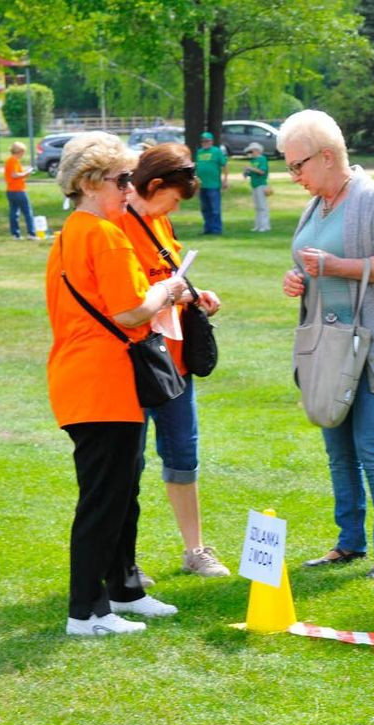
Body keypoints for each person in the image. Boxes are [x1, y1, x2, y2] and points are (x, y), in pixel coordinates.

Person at [45, 131, 188, 635]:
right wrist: (166, 291)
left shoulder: (70, 233)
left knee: (119, 493)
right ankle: (85, 611)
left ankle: (120, 592)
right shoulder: (103, 234)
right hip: (103, 380)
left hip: (85, 378)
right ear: (89, 182)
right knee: (105, 500)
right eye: (122, 178)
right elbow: (130, 310)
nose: (131, 188)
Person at [278, 109, 374, 580]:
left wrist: (339, 266)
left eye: (297, 165)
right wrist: (299, 280)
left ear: (327, 156)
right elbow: (310, 260)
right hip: (329, 349)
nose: (292, 175)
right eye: (289, 166)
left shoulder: (373, 198)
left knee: (370, 447)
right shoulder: (316, 204)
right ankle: (348, 543)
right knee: (337, 450)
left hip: (372, 349)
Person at [120, 142, 230, 581]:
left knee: (184, 456)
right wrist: (170, 293)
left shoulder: (158, 223)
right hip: (137, 360)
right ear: (154, 184)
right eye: (172, 200)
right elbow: (130, 301)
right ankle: (124, 558)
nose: (174, 211)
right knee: (128, 463)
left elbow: (169, 280)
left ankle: (195, 549)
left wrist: (196, 297)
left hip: (176, 362)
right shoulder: (117, 226)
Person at [195, 131, 228, 234]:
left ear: (211, 141)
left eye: (207, 141)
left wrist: (225, 180)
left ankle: (216, 229)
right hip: (202, 185)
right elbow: (196, 168)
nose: (205, 143)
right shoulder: (199, 152)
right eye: (203, 141)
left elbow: (224, 165)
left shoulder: (216, 151)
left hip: (213, 185)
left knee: (215, 208)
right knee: (205, 208)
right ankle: (207, 229)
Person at [4, 141, 37, 240]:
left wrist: (23, 173)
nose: (23, 155)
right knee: (27, 211)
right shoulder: (13, 160)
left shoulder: (9, 160)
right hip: (18, 190)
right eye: (23, 152)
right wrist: (27, 172)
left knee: (14, 212)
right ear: (19, 151)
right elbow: (14, 175)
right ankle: (31, 233)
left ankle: (15, 234)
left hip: (10, 190)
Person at [245, 142, 271, 232]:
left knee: (262, 206)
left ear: (257, 151)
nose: (251, 153)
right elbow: (251, 173)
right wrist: (246, 172)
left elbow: (262, 171)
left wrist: (251, 169)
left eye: (252, 151)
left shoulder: (262, 159)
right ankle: (258, 225)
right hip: (254, 184)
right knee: (257, 206)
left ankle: (265, 226)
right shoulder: (252, 161)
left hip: (261, 184)